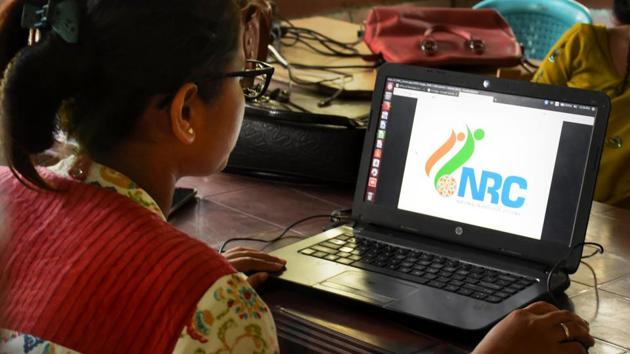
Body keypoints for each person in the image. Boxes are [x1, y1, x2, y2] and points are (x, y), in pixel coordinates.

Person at [0, 0, 594, 353]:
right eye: (247, 75)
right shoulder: (208, 303)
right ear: (185, 112)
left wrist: (197, 284)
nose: (250, 87)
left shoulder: (8, 198)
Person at [533, 0, 630, 208]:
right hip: (570, 202)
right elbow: (531, 105)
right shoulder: (582, 41)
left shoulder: (583, 40)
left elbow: (531, 104)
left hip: (564, 200)